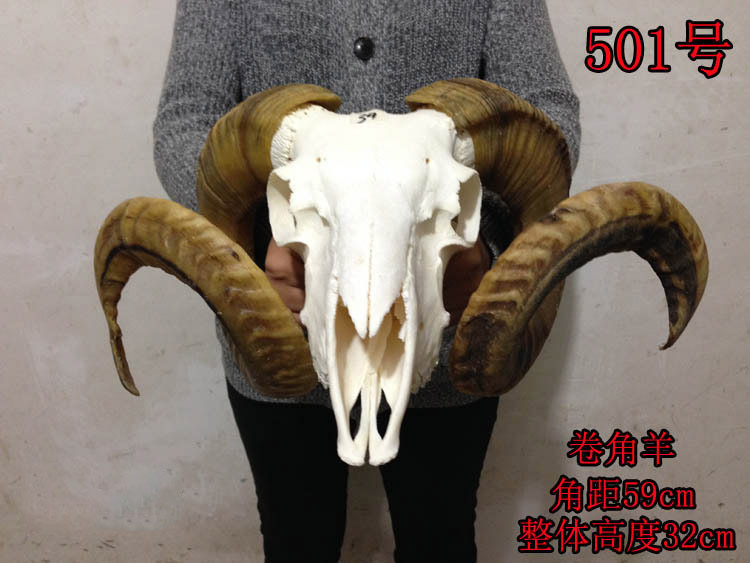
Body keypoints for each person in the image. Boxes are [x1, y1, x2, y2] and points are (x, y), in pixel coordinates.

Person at [153, 1, 580, 561]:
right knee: (295, 541)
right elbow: (186, 118)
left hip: (439, 328)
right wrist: (265, 243)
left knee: (441, 540)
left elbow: (545, 113)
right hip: (282, 325)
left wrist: (475, 242)